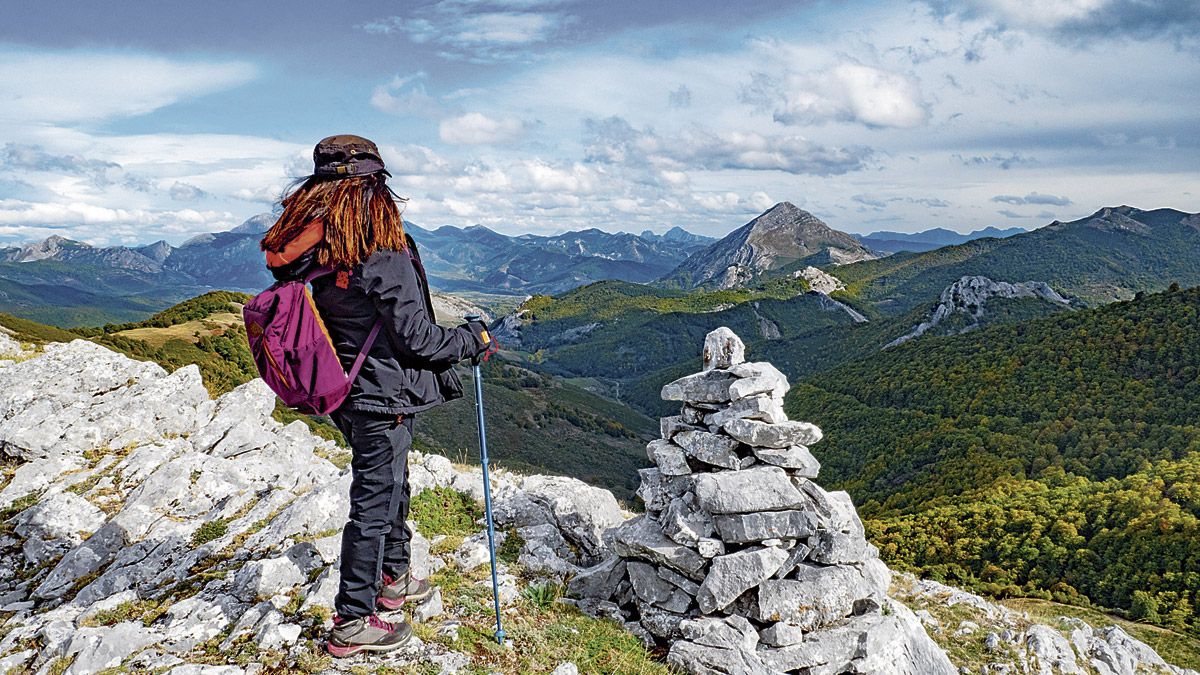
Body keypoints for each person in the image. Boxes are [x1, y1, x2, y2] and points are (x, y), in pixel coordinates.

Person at [260, 135, 494, 657]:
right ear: (376, 184)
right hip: (381, 394)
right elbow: (419, 337)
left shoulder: (316, 248)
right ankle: (352, 620)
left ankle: (392, 577)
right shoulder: (380, 250)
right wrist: (471, 340)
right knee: (374, 500)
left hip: (343, 387)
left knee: (390, 484)